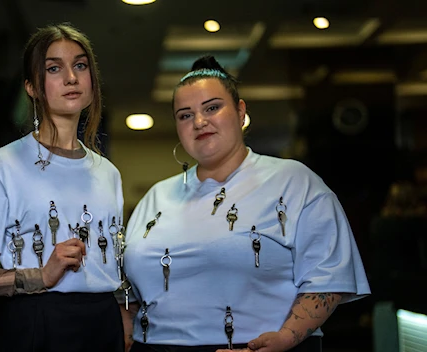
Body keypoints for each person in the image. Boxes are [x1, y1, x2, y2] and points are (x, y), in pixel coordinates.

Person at [119, 55, 370, 352]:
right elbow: (130, 292)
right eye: (185, 115)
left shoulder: (294, 182)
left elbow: (327, 278)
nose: (199, 122)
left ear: (240, 112)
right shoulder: (156, 197)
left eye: (212, 108)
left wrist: (286, 338)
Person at [0, 23, 125, 352]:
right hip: (37, 320)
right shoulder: (3, 165)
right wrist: (37, 276)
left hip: (105, 323)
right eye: (54, 68)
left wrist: (123, 313)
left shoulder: (108, 172)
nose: (71, 77)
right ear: (32, 87)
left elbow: (109, 262)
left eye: (80, 65)